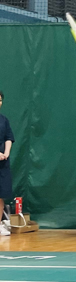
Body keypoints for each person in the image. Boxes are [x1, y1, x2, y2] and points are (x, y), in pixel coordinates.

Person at [0, 91, 14, 237]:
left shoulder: (4, 120)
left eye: (0, 100)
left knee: (1, 195)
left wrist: (6, 152)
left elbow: (9, 137)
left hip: (2, 164)